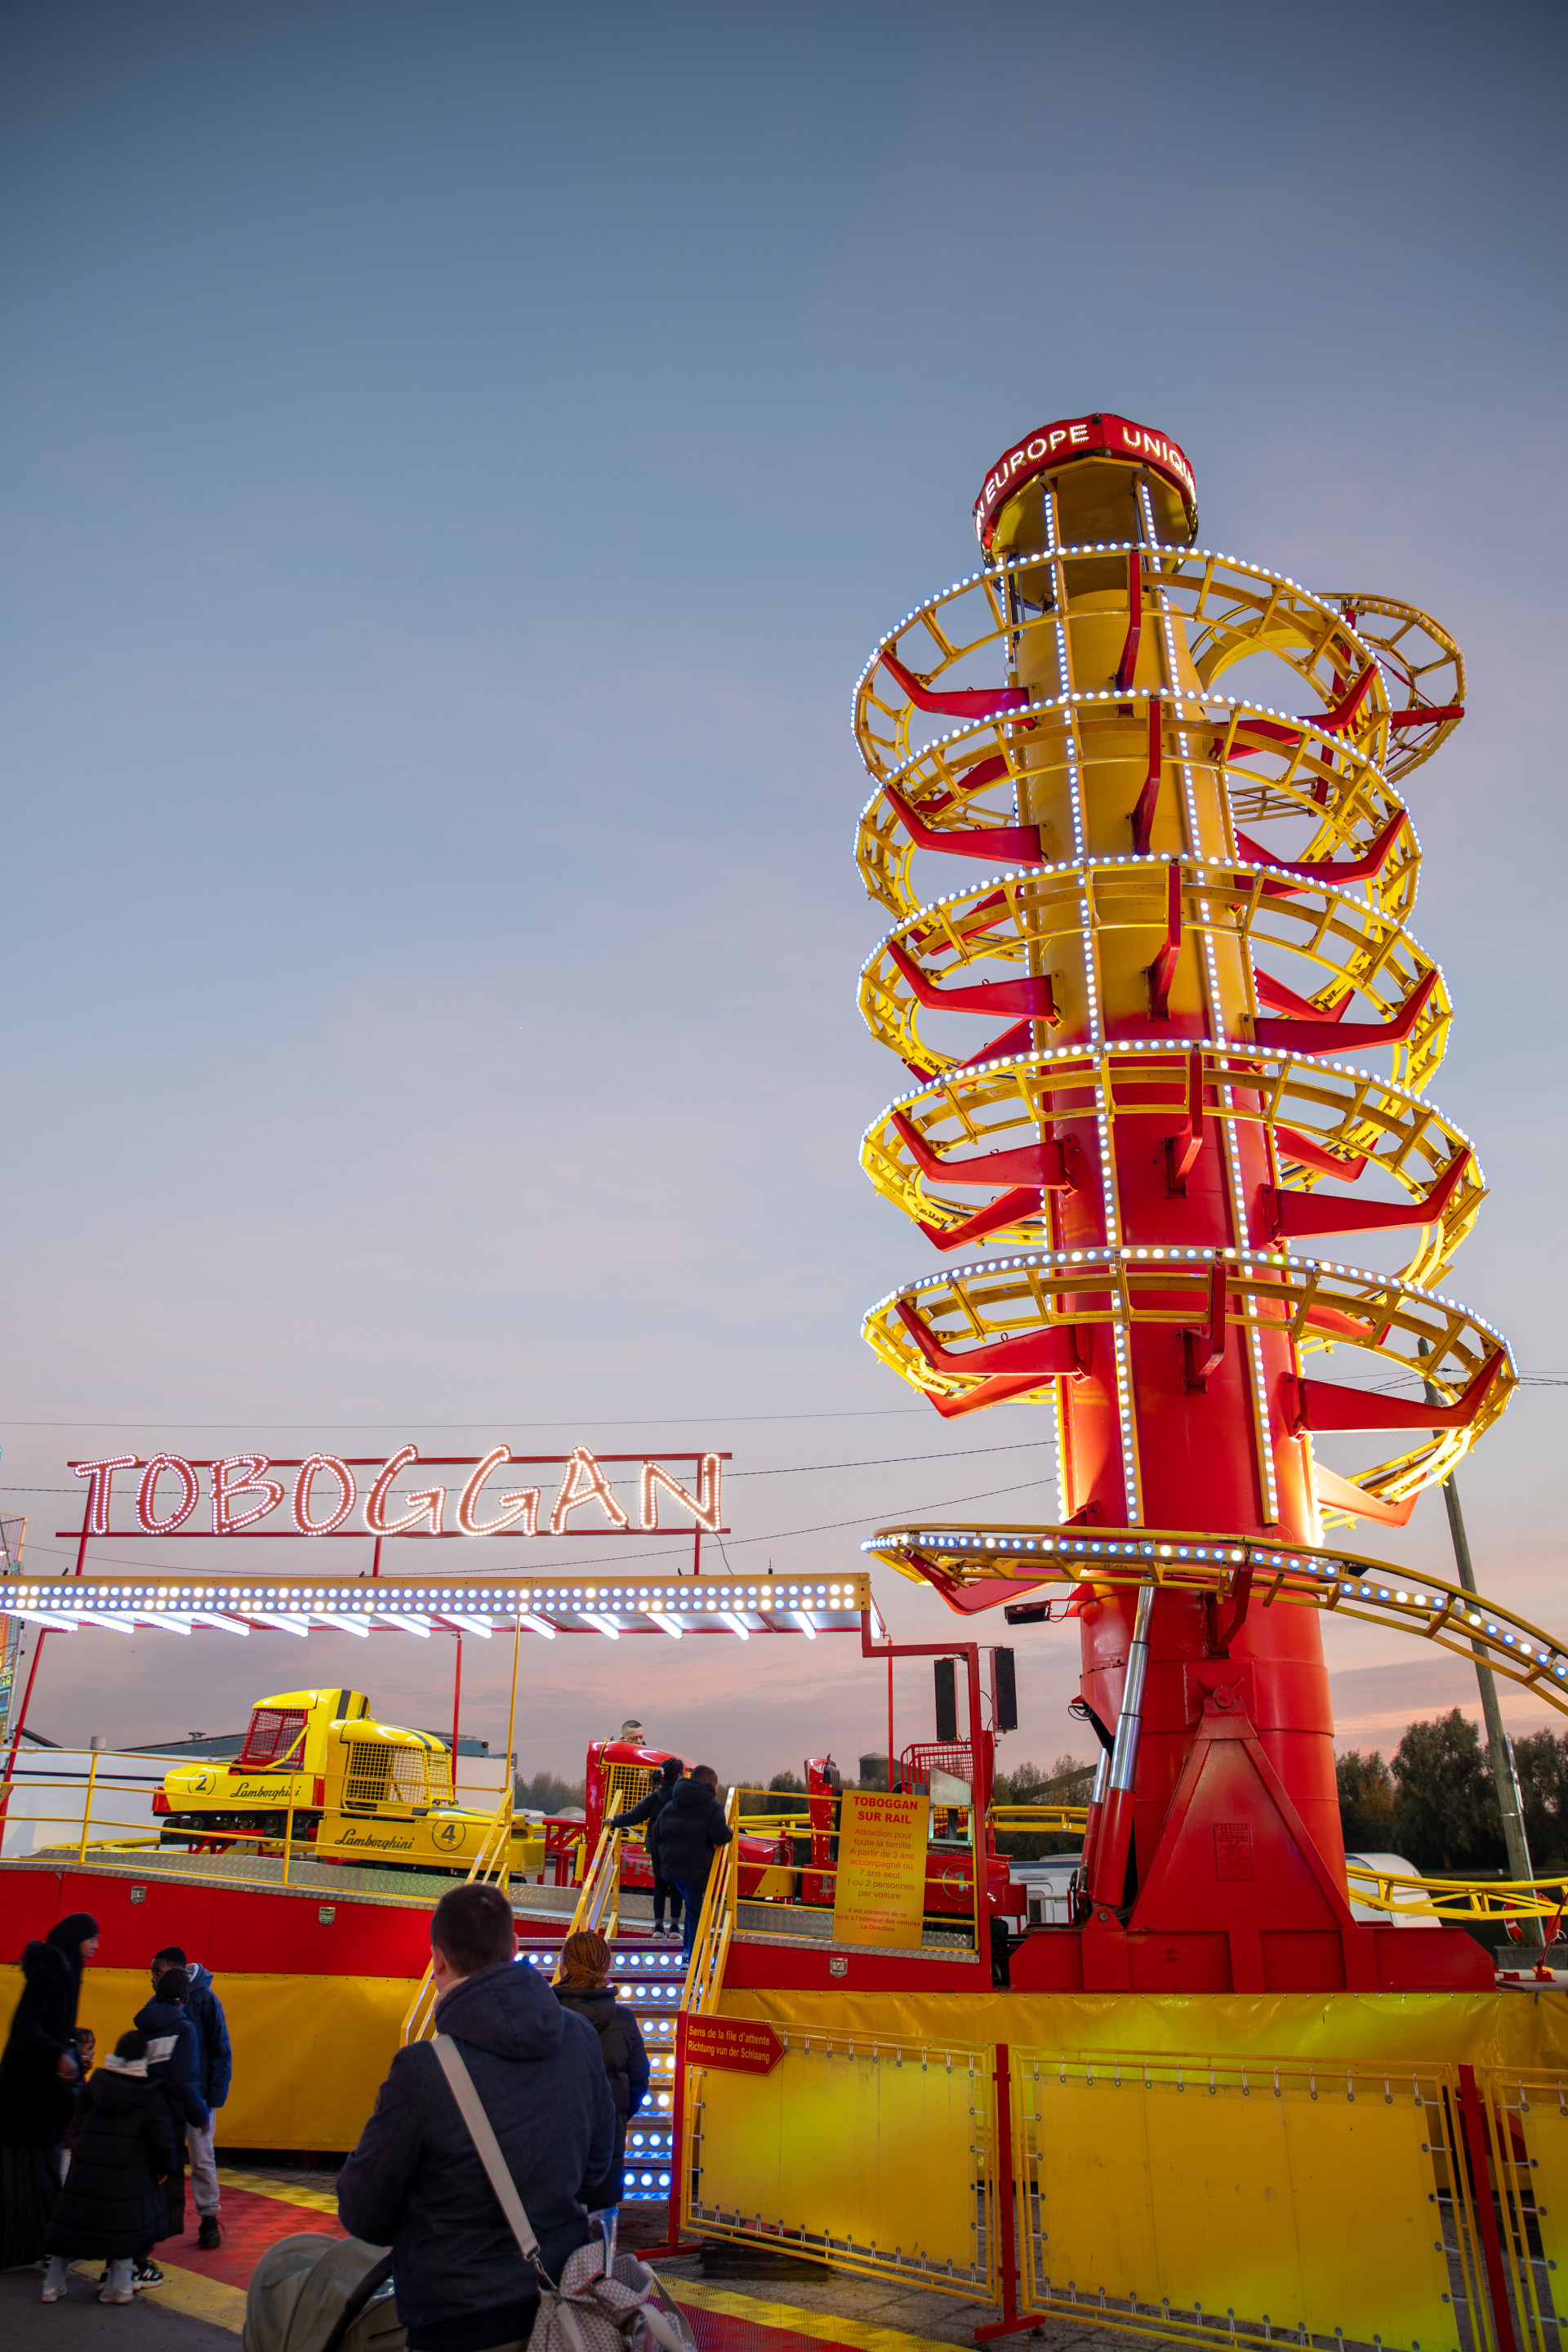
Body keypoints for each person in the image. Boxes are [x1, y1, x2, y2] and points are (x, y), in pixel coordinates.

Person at [338, 1880, 616, 2352]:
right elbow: (598, 2176)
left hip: (454, 2322)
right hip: (562, 2313)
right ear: (514, 1946)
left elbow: (364, 2214)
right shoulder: (579, 2038)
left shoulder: (423, 2069)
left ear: (438, 1959)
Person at [41, 2029, 177, 2305]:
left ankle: (52, 2286)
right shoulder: (150, 2094)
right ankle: (117, 2288)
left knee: (69, 2224)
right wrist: (164, 2168)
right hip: (127, 2174)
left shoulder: (97, 2084)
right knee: (124, 2229)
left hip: (87, 2167)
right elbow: (163, 2141)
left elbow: (80, 2113)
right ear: (144, 2058)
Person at [0, 1912, 99, 2270]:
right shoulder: (53, 1971)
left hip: (36, 2089)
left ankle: (38, 2246)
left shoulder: (63, 1970)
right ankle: (51, 2245)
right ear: (76, 1939)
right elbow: (25, 2027)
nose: (96, 1947)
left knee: (32, 2172)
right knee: (35, 2172)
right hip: (27, 2093)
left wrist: (64, 2057)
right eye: (92, 1938)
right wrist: (59, 2056)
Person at [552, 1931, 648, 2210]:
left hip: (554, 2147)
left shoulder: (545, 2014)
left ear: (565, 1964)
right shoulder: (625, 2019)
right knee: (602, 2238)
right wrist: (616, 2114)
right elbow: (639, 2081)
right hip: (607, 2145)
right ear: (604, 1965)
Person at [130, 1966, 209, 2288]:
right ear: (184, 1999)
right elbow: (184, 2080)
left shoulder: (141, 2026)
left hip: (137, 2117)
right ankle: (138, 2263)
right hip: (167, 2121)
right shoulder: (184, 2030)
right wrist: (199, 2113)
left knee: (138, 2188)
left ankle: (120, 2262)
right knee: (162, 2190)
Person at [150, 1944, 231, 2248]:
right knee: (165, 2158)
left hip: (198, 2097)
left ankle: (209, 2218)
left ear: (177, 1970)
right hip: (167, 2098)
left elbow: (222, 2049)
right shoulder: (156, 2003)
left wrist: (212, 2098)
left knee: (201, 2158)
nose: (154, 1979)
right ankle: (161, 2218)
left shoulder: (207, 1999)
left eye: (158, 1972)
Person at [654, 1766, 733, 1965]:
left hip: (671, 1867)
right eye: (716, 1783)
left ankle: (689, 1952)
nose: (716, 1788)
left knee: (690, 1908)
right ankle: (692, 1955)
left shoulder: (676, 1800)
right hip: (694, 1868)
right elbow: (719, 1835)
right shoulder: (711, 1805)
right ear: (708, 1783)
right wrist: (730, 1832)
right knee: (695, 1912)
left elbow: (657, 1829)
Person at [606, 1757, 684, 1941]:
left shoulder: (654, 1796)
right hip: (679, 1848)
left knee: (659, 1884)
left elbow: (634, 1815)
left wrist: (614, 1821)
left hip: (657, 1846)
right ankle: (674, 1927)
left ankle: (658, 1926)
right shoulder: (685, 1797)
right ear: (679, 1776)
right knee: (676, 1886)